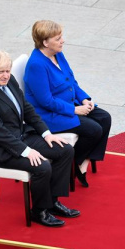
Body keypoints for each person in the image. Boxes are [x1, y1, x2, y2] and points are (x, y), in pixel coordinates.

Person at [0, 50, 79, 227]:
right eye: (1, 72)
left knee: (65, 150)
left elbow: (26, 108)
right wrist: (26, 151)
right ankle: (39, 211)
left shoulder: (9, 80)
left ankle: (52, 202)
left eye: (8, 70)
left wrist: (46, 133)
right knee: (42, 166)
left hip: (21, 136)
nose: (6, 76)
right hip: (1, 149)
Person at [24, 20, 112, 188]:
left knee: (104, 118)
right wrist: (75, 110)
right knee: (94, 129)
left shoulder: (58, 54)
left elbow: (72, 82)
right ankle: (73, 163)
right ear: (45, 42)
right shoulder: (37, 65)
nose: (62, 40)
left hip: (68, 105)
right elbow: (46, 101)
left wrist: (85, 100)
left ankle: (81, 162)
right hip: (49, 116)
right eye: (58, 38)